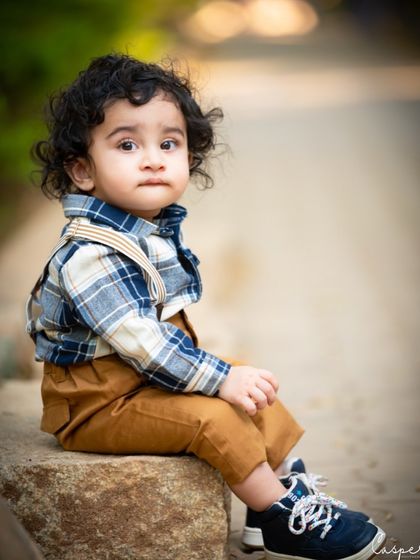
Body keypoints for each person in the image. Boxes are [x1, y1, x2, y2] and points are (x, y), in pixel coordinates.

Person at [27, 53, 386, 560]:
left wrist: (228, 378)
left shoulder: (143, 230)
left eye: (168, 143)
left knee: (247, 381)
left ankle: (281, 499)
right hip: (95, 407)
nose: (153, 158)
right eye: (127, 144)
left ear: (189, 157)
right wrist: (216, 381)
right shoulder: (91, 256)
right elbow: (147, 346)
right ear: (82, 169)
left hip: (135, 385)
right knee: (212, 417)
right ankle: (284, 522)